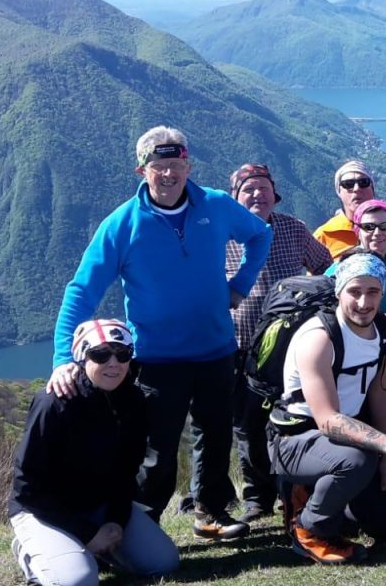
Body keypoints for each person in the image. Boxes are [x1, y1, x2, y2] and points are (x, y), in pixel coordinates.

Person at [50, 126, 271, 538]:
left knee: (217, 434)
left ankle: (211, 513)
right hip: (156, 358)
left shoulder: (218, 206)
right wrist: (64, 358)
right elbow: (81, 290)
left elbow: (260, 236)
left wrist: (240, 284)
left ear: (188, 165)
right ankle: (140, 527)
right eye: (158, 166)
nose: (169, 175)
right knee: (157, 449)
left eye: (176, 165)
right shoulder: (122, 225)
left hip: (216, 349)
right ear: (141, 170)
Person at [269, 254, 386, 565]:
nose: (363, 302)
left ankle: (319, 497)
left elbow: (382, 390)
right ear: (339, 292)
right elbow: (328, 420)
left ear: (383, 293)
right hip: (294, 438)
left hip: (342, 440)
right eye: (354, 291)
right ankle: (308, 531)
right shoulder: (318, 338)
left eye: (372, 292)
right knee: (357, 461)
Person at [10, 319, 179, 586]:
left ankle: (90, 551)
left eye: (122, 354)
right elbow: (27, 488)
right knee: (78, 581)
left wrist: (115, 522)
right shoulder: (54, 403)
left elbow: (127, 473)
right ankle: (29, 551)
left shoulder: (133, 402)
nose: (113, 363)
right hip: (42, 510)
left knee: (163, 562)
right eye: (100, 354)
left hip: (98, 506)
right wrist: (87, 533)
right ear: (81, 357)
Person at [226, 163, 332, 522]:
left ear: (275, 193)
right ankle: (258, 497)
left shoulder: (293, 228)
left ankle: (296, 489)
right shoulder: (222, 234)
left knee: (293, 420)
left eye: (263, 188)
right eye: (248, 190)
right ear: (235, 198)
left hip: (290, 348)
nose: (257, 195)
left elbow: (324, 267)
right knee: (248, 425)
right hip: (240, 348)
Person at [324, 199, 386, 316]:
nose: (377, 232)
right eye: (368, 227)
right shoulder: (339, 269)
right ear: (357, 231)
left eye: (385, 226)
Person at [314, 160, 375, 259]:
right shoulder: (324, 235)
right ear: (339, 192)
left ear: (372, 189)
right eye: (348, 184)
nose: (356, 189)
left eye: (363, 182)